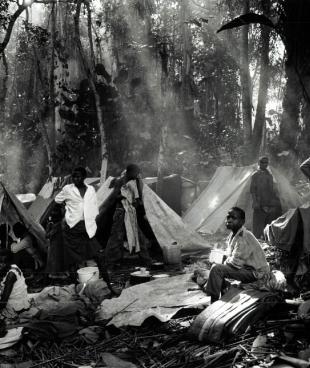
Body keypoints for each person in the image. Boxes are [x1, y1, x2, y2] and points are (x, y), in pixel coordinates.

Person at [204, 207, 270, 303]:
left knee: (217, 269)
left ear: (242, 221)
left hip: (256, 273)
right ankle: (222, 297)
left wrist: (221, 261)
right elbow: (230, 254)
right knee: (218, 266)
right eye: (228, 217)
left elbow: (235, 263)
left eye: (233, 218)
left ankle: (213, 302)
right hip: (246, 269)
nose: (229, 220)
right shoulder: (234, 235)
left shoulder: (244, 236)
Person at [104, 164, 152, 269]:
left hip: (131, 212)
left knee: (138, 235)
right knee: (116, 237)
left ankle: (146, 260)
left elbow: (139, 198)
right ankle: (110, 262)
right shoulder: (120, 182)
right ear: (129, 172)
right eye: (135, 173)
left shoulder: (137, 181)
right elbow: (113, 198)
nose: (137, 175)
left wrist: (141, 209)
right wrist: (124, 195)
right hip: (120, 212)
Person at [54, 167, 101, 272]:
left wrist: (93, 218)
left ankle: (91, 271)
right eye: (74, 176)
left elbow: (94, 205)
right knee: (75, 251)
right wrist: (66, 212)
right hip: (73, 225)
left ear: (84, 177)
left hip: (88, 225)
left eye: (78, 176)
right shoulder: (68, 189)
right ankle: (79, 273)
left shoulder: (91, 189)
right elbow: (57, 200)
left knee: (92, 250)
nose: (75, 179)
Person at [250, 156, 282, 238]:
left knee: (268, 222)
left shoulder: (269, 175)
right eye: (262, 162)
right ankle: (256, 239)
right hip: (259, 201)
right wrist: (255, 201)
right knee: (258, 222)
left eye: (266, 163)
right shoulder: (255, 175)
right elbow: (252, 190)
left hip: (268, 201)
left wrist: (274, 200)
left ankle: (265, 238)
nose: (264, 164)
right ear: (259, 163)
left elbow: (271, 189)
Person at [0, 249, 30, 319]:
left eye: (2, 262)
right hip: (21, 303)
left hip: (15, 308)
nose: (1, 265)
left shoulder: (11, 275)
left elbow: (3, 302)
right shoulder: (14, 266)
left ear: (9, 262)